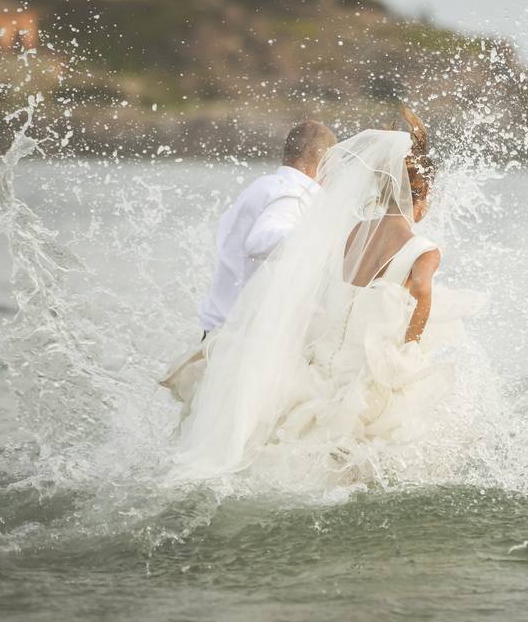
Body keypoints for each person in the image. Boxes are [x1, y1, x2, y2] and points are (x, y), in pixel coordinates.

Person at [171, 107, 476, 485]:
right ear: (423, 196)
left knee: (312, 437)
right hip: (373, 366)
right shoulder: (424, 249)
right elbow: (424, 294)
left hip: (324, 361)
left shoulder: (351, 233)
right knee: (386, 444)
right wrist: (410, 348)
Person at [159, 121, 337, 420]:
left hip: (221, 332)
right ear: (323, 162)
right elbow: (261, 240)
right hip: (244, 342)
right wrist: (325, 240)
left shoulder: (264, 185)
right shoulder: (295, 194)